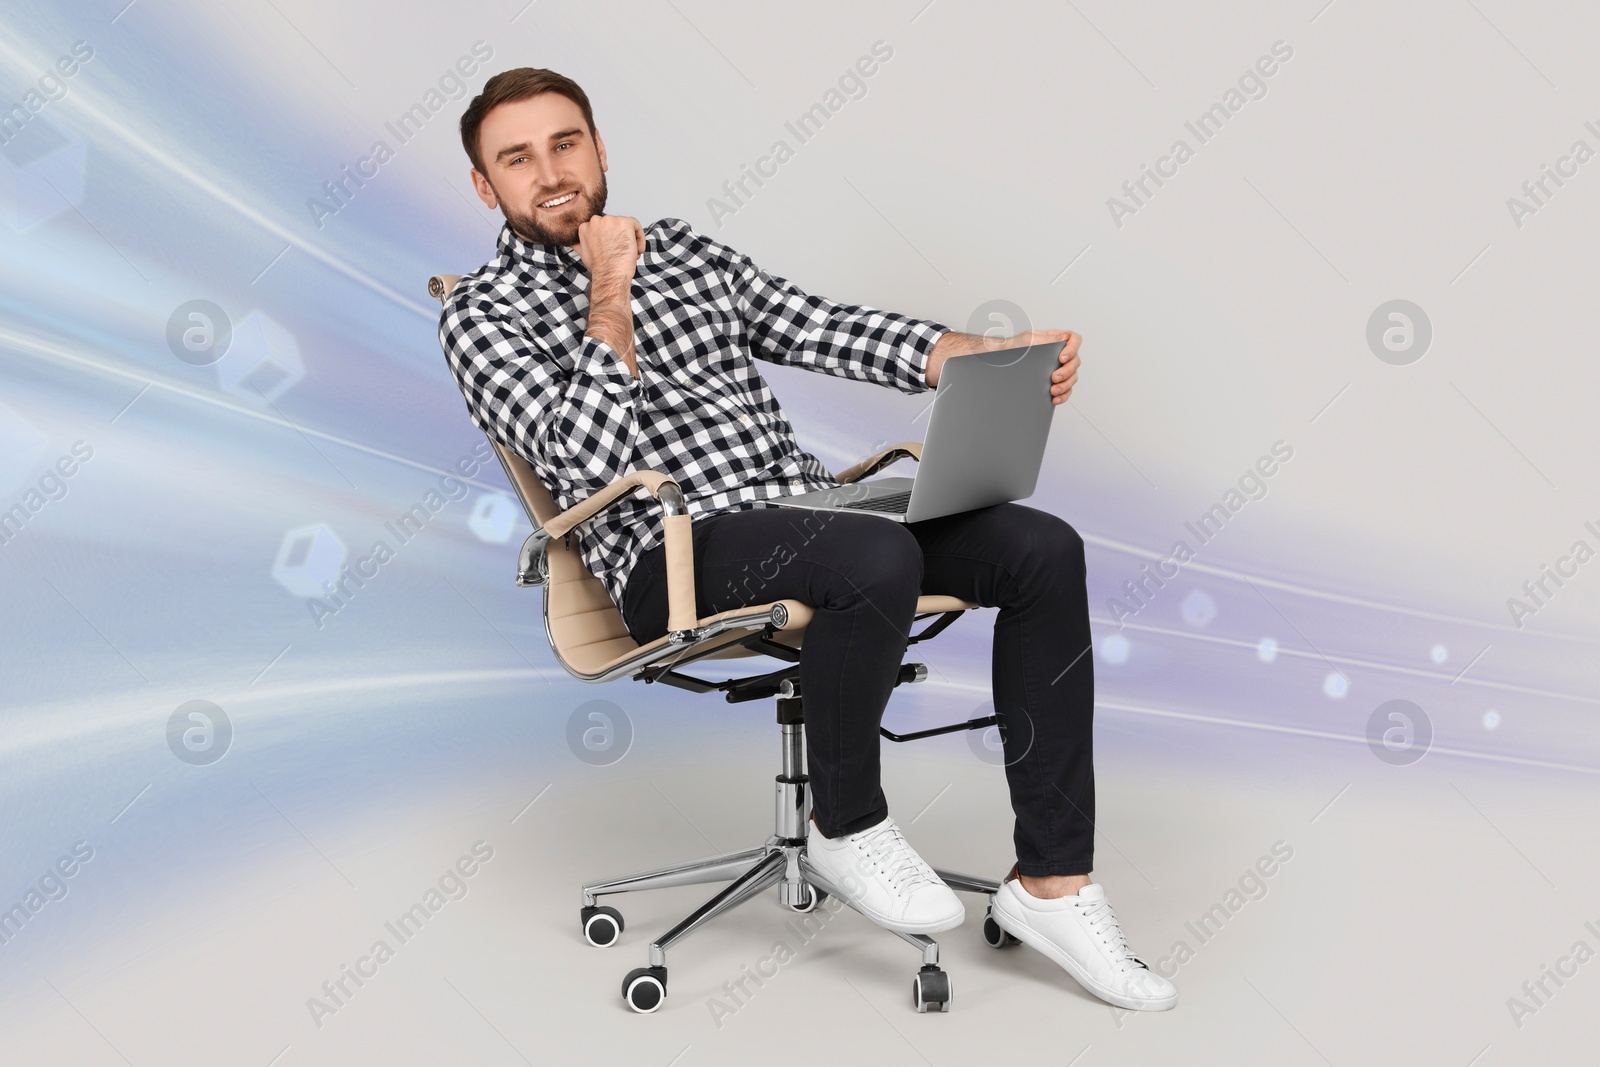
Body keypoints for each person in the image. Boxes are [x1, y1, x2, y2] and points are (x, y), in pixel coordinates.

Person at [440, 66, 1175, 1013]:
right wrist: (608, 292)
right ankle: (846, 821)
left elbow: (817, 325)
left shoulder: (691, 254)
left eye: (566, 143)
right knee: (873, 557)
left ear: (600, 149)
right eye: (517, 157)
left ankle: (1054, 886)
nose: (550, 172)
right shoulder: (482, 311)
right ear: (484, 186)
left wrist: (960, 354)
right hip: (671, 552)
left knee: (1042, 548)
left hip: (814, 514)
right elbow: (584, 456)